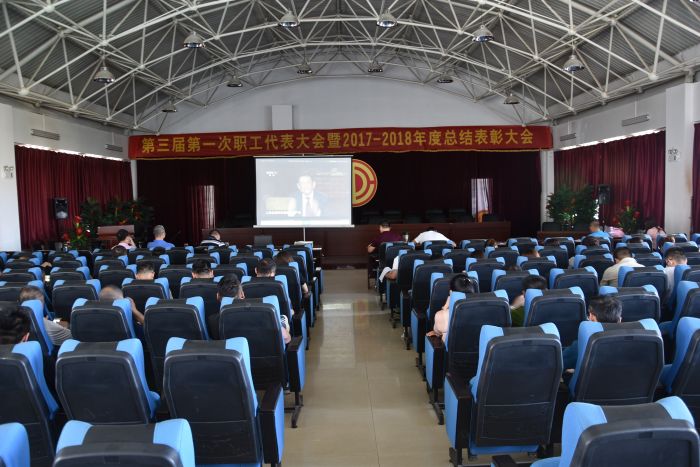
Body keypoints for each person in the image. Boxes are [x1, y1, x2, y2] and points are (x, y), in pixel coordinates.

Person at [562, 295, 622, 372]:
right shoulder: (632, 342)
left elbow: (558, 365)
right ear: (619, 320)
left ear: (591, 318)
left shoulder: (582, 345)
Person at [427, 274, 477, 343]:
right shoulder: (483, 311)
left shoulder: (441, 315)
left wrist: (445, 307)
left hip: (451, 349)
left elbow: (437, 333)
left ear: (451, 292)